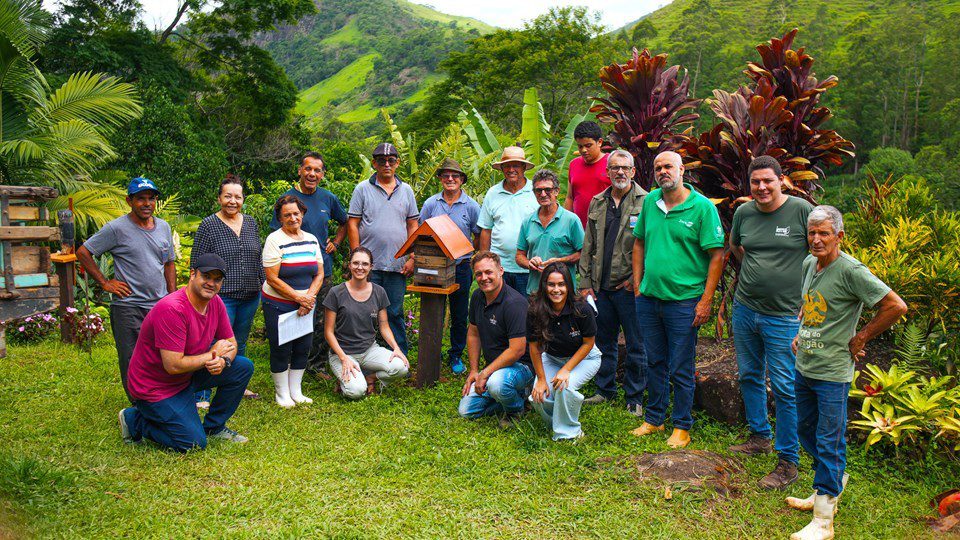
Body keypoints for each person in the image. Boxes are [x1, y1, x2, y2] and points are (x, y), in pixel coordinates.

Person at [785, 205, 906, 540]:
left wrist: (862, 335)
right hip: (805, 363)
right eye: (812, 233)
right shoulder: (810, 263)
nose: (817, 239)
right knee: (805, 428)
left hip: (833, 371)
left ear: (839, 236)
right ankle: (829, 484)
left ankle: (824, 519)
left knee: (828, 438)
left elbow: (895, 305)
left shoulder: (852, 270)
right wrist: (801, 332)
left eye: (824, 233)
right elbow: (812, 304)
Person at [727, 156, 814, 490]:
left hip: (785, 316)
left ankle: (788, 461)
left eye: (768, 181)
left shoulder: (801, 211)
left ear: (782, 181)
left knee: (784, 387)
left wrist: (809, 297)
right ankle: (759, 436)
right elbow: (736, 247)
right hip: (746, 308)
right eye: (755, 182)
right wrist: (758, 273)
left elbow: (821, 252)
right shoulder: (744, 213)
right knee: (749, 375)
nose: (761, 188)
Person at [630, 151, 725, 448]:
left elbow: (717, 255)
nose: (662, 171)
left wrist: (706, 300)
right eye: (658, 167)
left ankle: (682, 425)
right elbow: (639, 242)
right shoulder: (650, 202)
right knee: (654, 361)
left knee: (681, 365)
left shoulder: (702, 208)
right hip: (649, 299)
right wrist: (637, 284)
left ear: (682, 170)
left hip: (684, 301)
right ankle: (655, 418)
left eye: (668, 166)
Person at [118, 253, 254, 452]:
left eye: (217, 280)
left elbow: (231, 342)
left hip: (187, 377)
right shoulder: (172, 309)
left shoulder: (215, 303)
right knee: (192, 444)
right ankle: (134, 419)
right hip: (155, 387)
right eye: (206, 276)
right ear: (192, 274)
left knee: (243, 367)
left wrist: (223, 361)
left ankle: (214, 427)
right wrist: (211, 356)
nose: (211, 283)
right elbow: (173, 366)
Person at [76, 177, 176, 401]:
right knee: (131, 358)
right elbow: (83, 252)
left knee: (162, 356)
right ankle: (137, 405)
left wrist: (173, 296)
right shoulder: (116, 228)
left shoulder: (163, 227)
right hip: (128, 306)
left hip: (159, 306)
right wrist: (104, 282)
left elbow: (169, 263)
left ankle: (159, 400)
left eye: (151, 198)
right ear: (129, 201)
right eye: (141, 199)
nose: (147, 203)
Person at [578, 149, 649, 417]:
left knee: (636, 343)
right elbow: (588, 245)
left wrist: (635, 279)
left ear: (633, 171)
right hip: (601, 288)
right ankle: (604, 390)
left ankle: (634, 397)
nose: (620, 172)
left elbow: (651, 245)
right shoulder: (598, 201)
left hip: (630, 288)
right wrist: (585, 282)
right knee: (603, 341)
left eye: (625, 168)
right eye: (615, 168)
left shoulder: (647, 202)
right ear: (607, 172)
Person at [271, 152, 348, 378]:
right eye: (308, 169)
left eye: (317, 170)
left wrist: (336, 242)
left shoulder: (328, 198)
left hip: (322, 270)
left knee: (322, 318)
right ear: (299, 170)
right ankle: (288, 364)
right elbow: (274, 234)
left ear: (322, 174)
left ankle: (316, 364)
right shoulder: (287, 199)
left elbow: (345, 222)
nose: (312, 174)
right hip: (291, 272)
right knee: (292, 316)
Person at [192, 174, 263, 406]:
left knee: (239, 342)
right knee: (214, 342)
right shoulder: (209, 225)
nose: (233, 201)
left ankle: (236, 382)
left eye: (238, 197)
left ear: (243, 199)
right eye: (228, 196)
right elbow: (197, 261)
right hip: (221, 297)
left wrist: (263, 285)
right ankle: (202, 393)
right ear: (219, 198)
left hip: (250, 294)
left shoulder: (251, 222)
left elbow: (257, 256)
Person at [347, 143, 419, 355]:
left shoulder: (406, 190)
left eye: (391, 160)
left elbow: (412, 224)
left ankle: (398, 357)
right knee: (365, 312)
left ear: (397, 163)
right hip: (368, 265)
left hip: (398, 265)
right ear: (374, 163)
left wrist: (412, 256)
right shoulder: (362, 189)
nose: (386, 164)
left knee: (395, 312)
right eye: (381, 160)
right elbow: (353, 222)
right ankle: (364, 356)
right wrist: (356, 258)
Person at [419, 158, 481, 375]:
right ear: (440, 179)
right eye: (446, 176)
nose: (450, 179)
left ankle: (455, 354)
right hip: (435, 265)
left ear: (462, 180)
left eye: (455, 176)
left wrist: (471, 257)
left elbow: (478, 234)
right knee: (433, 309)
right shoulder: (430, 204)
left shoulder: (471, 206)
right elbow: (421, 233)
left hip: (462, 266)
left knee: (459, 313)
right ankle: (431, 351)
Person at [458, 251, 533, 428]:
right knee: (467, 410)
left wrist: (485, 373)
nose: (484, 278)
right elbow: (473, 334)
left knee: (497, 384)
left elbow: (517, 350)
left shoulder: (515, 303)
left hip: (522, 366)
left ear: (501, 271)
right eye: (479, 274)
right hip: (495, 368)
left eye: (489, 272)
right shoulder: (477, 296)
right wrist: (475, 371)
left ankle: (515, 409)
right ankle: (518, 395)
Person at [261, 195, 324, 408]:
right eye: (287, 215)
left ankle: (296, 391)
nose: (292, 218)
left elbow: (319, 274)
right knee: (282, 348)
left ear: (303, 214)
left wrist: (309, 299)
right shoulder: (274, 240)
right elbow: (272, 278)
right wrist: (299, 298)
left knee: (302, 347)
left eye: (296, 213)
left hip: (307, 304)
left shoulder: (312, 239)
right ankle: (282, 394)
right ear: (280, 218)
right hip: (279, 303)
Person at [527, 263, 601, 441]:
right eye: (551, 284)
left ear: (568, 285)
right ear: (544, 286)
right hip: (552, 358)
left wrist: (566, 369)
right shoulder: (535, 310)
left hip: (586, 358)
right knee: (538, 394)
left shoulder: (582, 309)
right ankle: (557, 421)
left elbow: (588, 343)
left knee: (564, 388)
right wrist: (542, 380)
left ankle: (569, 433)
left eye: (561, 284)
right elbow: (534, 347)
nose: (556, 289)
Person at [324, 247, 410, 399]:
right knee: (356, 392)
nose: (360, 267)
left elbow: (384, 326)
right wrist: (344, 359)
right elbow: (328, 332)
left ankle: (370, 379)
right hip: (343, 353)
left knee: (402, 367)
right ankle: (346, 380)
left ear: (371, 267)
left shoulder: (379, 292)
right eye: (356, 263)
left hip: (369, 350)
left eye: (364, 264)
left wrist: (396, 348)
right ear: (349, 265)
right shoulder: (336, 293)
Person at [478, 146, 540, 296]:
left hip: (528, 266)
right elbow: (486, 230)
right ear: (502, 169)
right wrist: (485, 261)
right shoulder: (493, 193)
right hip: (499, 267)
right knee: (499, 311)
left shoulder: (536, 191)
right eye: (507, 166)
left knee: (528, 311)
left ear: (524, 167)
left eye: (516, 165)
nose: (511, 169)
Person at [516, 169, 584, 295]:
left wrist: (559, 261)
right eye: (538, 190)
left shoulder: (571, 220)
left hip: (563, 292)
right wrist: (530, 263)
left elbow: (583, 253)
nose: (543, 194)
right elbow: (519, 256)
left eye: (548, 190)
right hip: (536, 291)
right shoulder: (528, 221)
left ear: (556, 191)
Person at [563, 120, 610, 228]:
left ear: (600, 142)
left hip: (604, 229)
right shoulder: (573, 164)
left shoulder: (612, 163)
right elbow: (570, 197)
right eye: (580, 146)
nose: (584, 150)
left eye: (588, 145)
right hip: (578, 230)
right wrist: (565, 224)